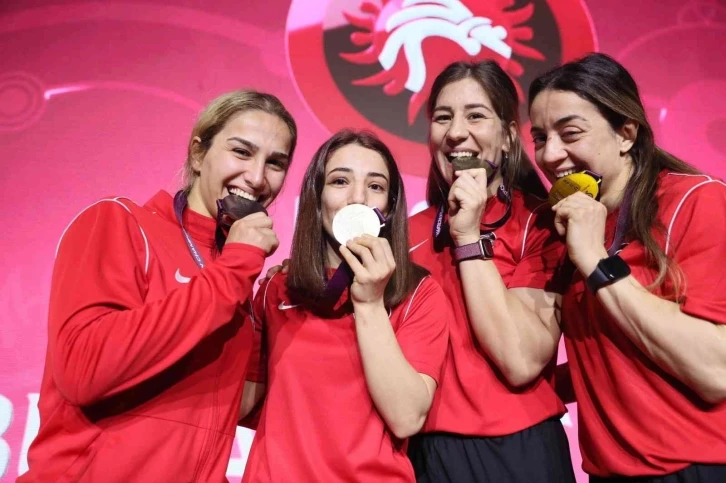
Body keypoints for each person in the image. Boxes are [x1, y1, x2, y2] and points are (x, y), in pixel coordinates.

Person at [21, 90, 297, 482]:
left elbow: (236, 409)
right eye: (241, 152)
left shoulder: (238, 275)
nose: (256, 177)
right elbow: (84, 370)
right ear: (198, 154)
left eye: (275, 163)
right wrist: (235, 267)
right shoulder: (120, 223)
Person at [528, 52, 726, 482]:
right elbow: (611, 354)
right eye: (540, 138)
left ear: (626, 133)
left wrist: (597, 261)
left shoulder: (697, 202)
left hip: (692, 468)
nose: (551, 154)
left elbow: (716, 372)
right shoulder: (569, 223)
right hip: (607, 473)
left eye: (570, 133)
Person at [240, 129, 451, 482]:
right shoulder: (277, 289)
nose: (358, 198)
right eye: (340, 181)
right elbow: (239, 405)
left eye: (375, 186)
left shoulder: (419, 293)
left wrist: (370, 303)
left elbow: (406, 417)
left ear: (390, 206)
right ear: (316, 196)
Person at [406, 61, 576, 483]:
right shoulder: (403, 236)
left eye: (475, 116)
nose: (455, 132)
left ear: (508, 136)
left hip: (522, 451)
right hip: (424, 452)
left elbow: (520, 360)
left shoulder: (543, 223)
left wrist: (468, 237)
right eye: (442, 117)